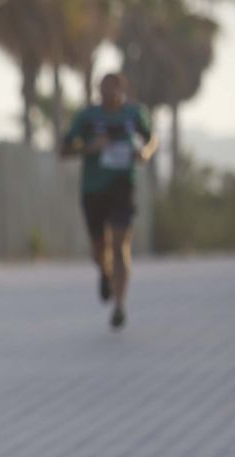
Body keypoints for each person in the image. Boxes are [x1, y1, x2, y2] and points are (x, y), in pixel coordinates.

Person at [60, 72, 156, 330]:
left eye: (113, 88)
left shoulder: (134, 114)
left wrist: (144, 152)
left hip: (122, 185)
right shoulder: (87, 118)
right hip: (93, 189)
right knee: (98, 248)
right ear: (97, 91)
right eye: (103, 89)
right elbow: (63, 149)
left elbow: (151, 139)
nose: (108, 93)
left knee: (120, 243)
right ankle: (105, 273)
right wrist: (89, 148)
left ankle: (119, 306)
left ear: (122, 89)